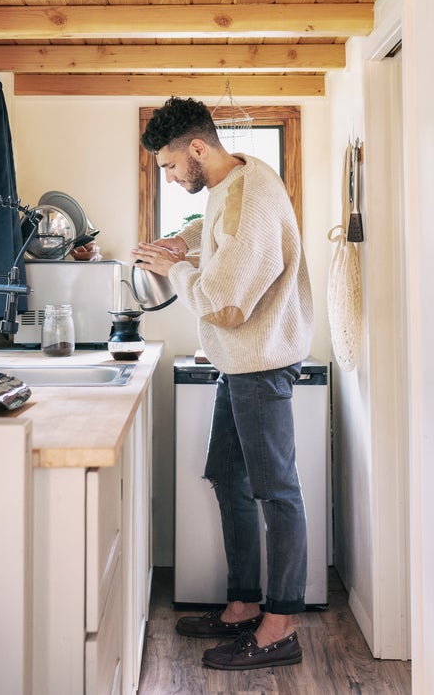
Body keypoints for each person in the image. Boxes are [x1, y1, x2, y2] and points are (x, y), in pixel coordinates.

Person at [132, 97, 314, 671]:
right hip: (238, 365)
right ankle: (241, 605)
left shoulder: (253, 195)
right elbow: (212, 227)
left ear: (196, 148)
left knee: (277, 493)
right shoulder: (231, 184)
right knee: (228, 477)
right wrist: (180, 243)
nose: (167, 175)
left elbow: (228, 304)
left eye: (168, 166)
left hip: (258, 362)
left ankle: (279, 627)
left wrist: (174, 269)